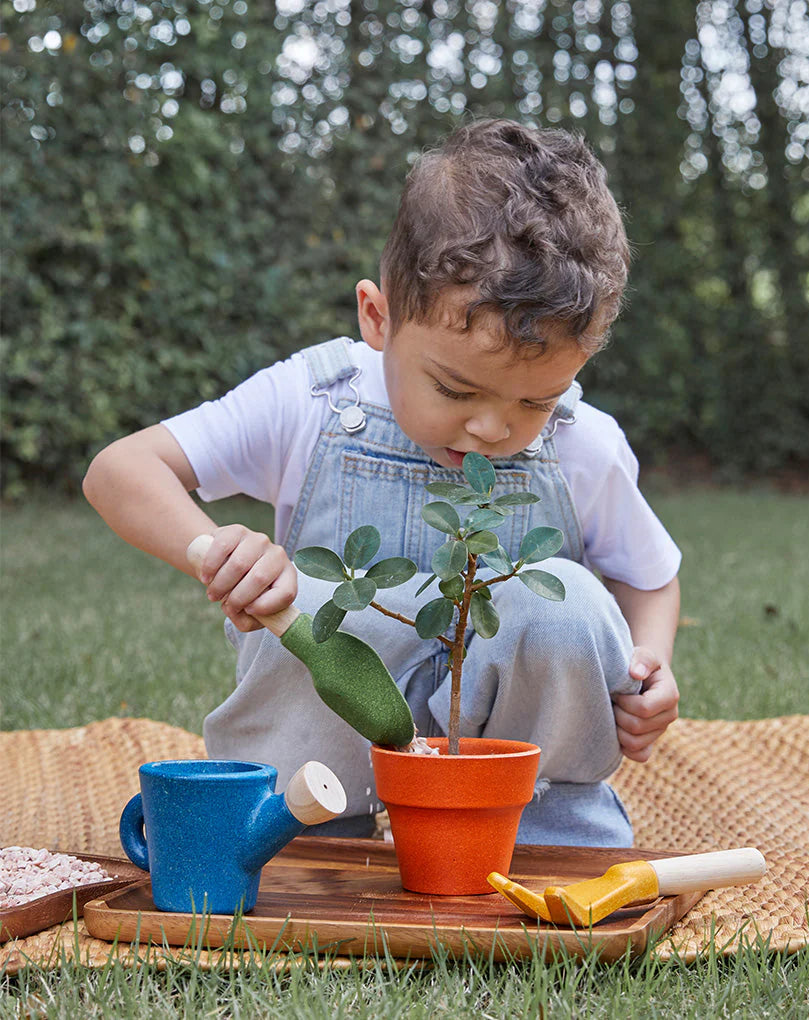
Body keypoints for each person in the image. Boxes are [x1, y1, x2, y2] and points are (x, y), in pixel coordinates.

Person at [84, 119, 681, 847]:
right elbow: (119, 472)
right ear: (379, 316)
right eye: (456, 389)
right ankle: (295, 823)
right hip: (312, 787)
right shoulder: (312, 400)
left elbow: (649, 575)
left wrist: (651, 664)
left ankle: (541, 826)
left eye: (534, 401)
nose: (493, 427)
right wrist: (220, 551)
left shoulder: (582, 442)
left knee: (568, 607)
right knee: (307, 597)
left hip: (521, 791)